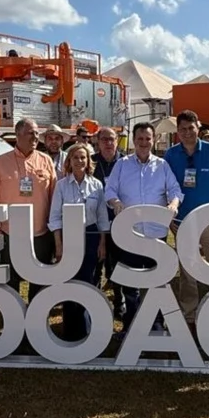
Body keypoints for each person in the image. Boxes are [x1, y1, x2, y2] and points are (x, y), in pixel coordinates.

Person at [104, 122, 182, 332]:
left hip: (156, 234)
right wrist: (116, 202)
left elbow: (175, 190)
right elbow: (109, 190)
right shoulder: (122, 164)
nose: (144, 142)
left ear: (154, 140)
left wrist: (174, 204)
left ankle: (156, 323)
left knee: (156, 281)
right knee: (131, 283)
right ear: (133, 140)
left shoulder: (162, 165)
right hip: (130, 235)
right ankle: (132, 325)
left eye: (148, 138)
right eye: (140, 138)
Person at [163, 110, 209, 330]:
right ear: (178, 132)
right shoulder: (171, 155)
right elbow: (165, 188)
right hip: (183, 220)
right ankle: (189, 313)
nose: (187, 133)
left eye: (190, 128)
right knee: (187, 270)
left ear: (198, 127)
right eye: (182, 129)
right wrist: (169, 217)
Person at [0, 118, 58, 305]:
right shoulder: (0, 162)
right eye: (30, 133)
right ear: (17, 135)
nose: (35, 137)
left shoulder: (46, 160)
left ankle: (35, 315)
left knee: (40, 277)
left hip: (41, 232)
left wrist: (55, 227)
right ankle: (14, 317)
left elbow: (54, 196)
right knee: (11, 278)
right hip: (10, 232)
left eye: (36, 133)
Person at [48, 142, 111, 342]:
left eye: (83, 157)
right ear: (69, 161)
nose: (80, 161)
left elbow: (102, 217)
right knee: (69, 280)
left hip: (91, 236)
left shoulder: (96, 185)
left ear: (88, 161)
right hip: (69, 236)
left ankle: (88, 329)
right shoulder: (61, 185)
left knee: (89, 281)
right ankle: (70, 331)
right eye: (75, 157)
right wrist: (59, 245)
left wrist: (102, 242)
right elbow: (55, 217)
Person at [91, 126, 127, 317]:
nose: (108, 143)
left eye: (111, 139)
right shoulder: (90, 162)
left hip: (119, 221)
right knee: (97, 262)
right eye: (104, 139)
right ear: (98, 141)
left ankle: (119, 301)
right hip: (96, 222)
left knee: (117, 264)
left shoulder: (125, 162)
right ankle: (96, 302)